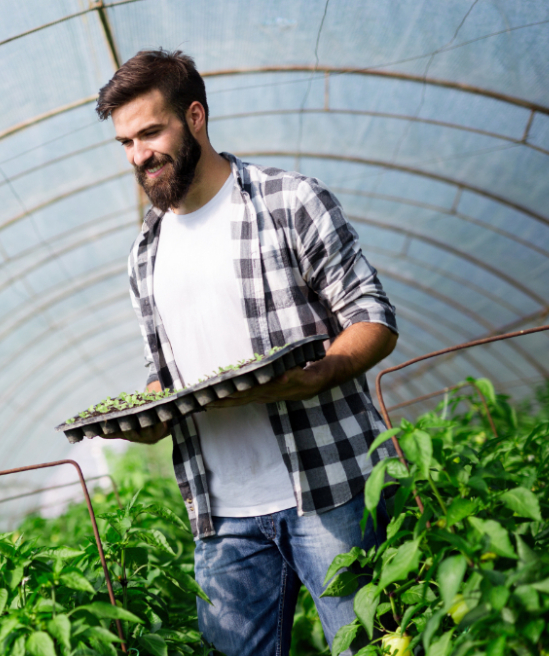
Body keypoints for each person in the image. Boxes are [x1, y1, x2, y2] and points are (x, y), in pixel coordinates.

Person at [94, 50, 399, 656]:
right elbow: (164, 376)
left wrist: (321, 373)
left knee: (373, 646)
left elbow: (373, 316)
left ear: (196, 118)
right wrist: (148, 416)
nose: (139, 156)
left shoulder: (290, 203)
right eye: (126, 141)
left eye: (151, 132)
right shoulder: (145, 255)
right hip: (221, 516)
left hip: (329, 488)